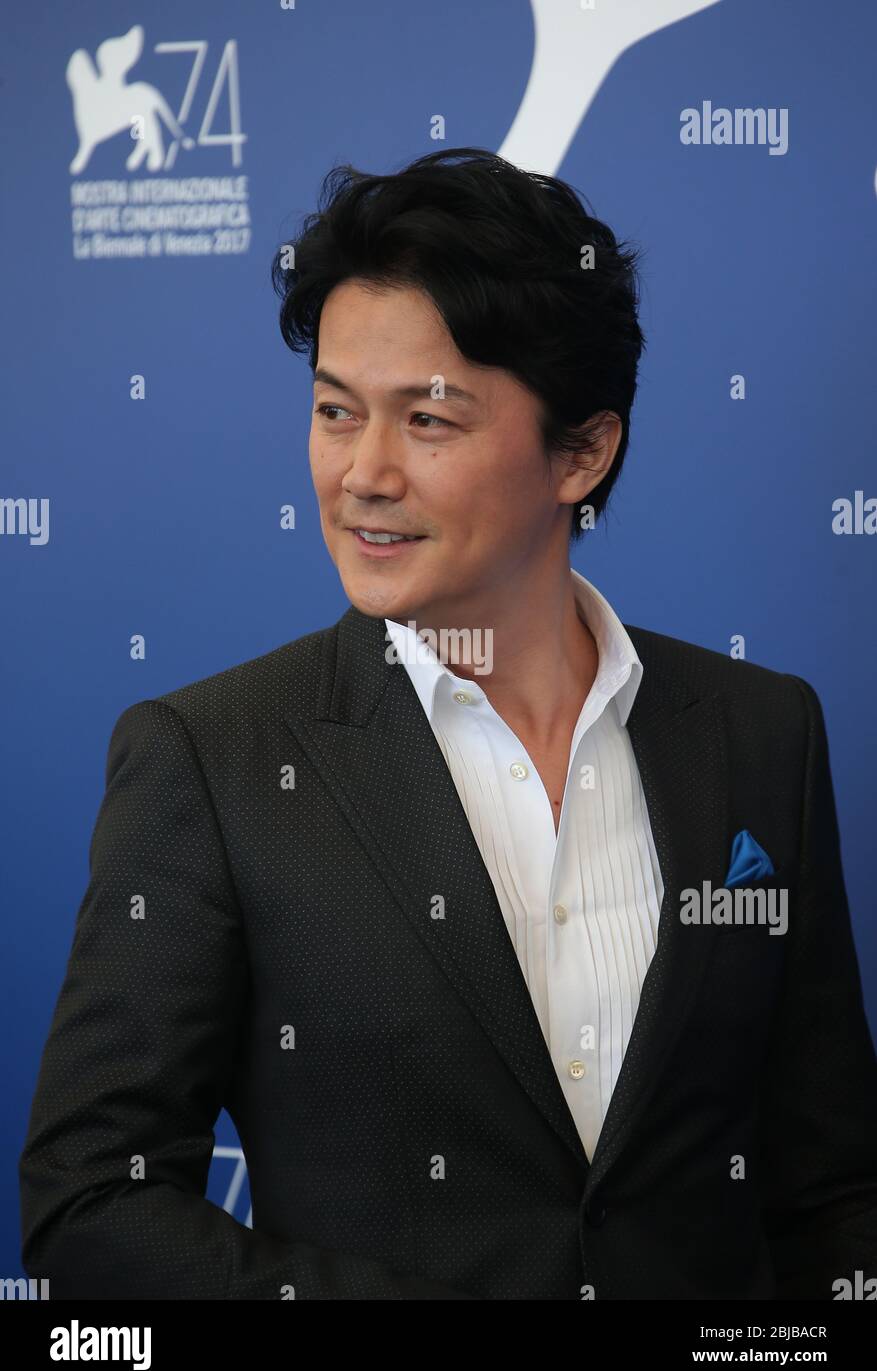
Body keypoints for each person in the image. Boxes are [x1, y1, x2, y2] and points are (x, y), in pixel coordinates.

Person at [19, 148, 877, 1299]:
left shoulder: (762, 734)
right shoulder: (212, 760)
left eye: (427, 420)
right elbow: (92, 1204)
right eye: (334, 411)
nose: (362, 474)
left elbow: (826, 1191)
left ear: (582, 451)